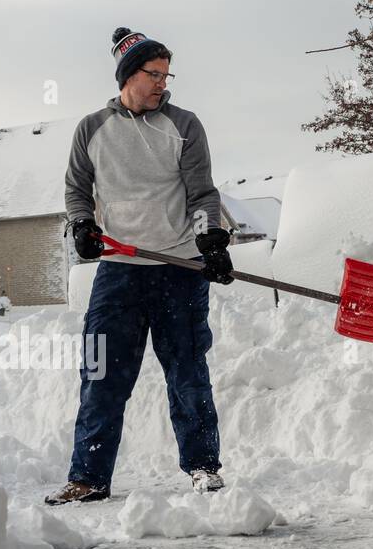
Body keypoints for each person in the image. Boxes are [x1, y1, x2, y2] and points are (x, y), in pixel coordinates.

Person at [45, 27, 234, 505]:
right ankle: (88, 477)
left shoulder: (185, 124)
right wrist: (83, 224)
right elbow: (76, 190)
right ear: (129, 74)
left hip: (179, 267)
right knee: (101, 374)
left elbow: (202, 193)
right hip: (119, 269)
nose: (163, 84)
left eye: (167, 76)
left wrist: (209, 237)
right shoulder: (92, 128)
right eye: (154, 74)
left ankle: (203, 468)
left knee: (187, 372)